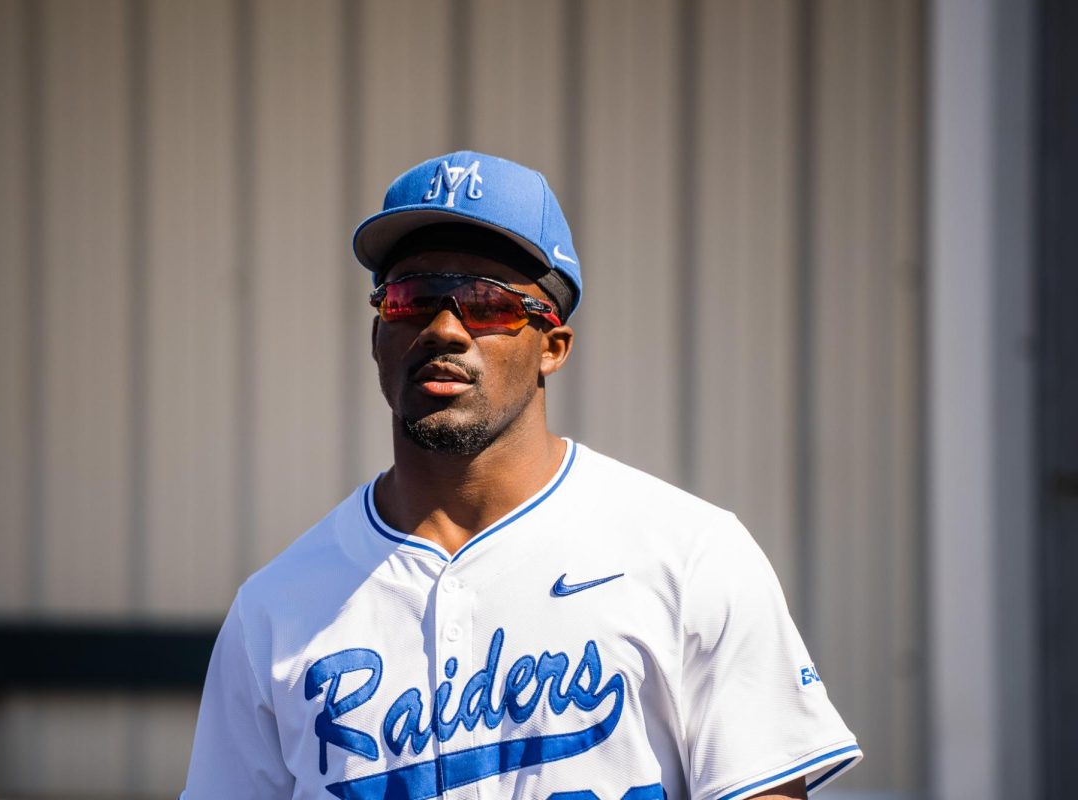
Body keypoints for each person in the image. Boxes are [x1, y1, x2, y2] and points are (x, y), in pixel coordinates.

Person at [182, 151, 861, 800]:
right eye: (412, 298)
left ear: (553, 346)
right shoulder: (274, 611)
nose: (445, 329)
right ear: (377, 337)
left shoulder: (691, 557)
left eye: (486, 303)